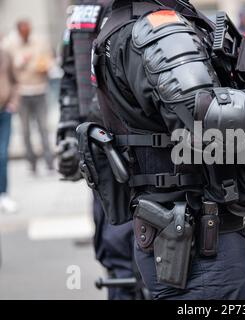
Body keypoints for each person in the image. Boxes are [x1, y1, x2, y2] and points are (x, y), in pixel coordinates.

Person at [89, 0, 245, 300]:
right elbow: (207, 115)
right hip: (198, 241)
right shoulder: (159, 27)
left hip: (180, 228)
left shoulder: (125, 22)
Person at [57, 0, 139, 300]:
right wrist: (67, 134)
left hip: (142, 140)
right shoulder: (82, 9)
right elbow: (69, 73)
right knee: (116, 246)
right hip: (101, 143)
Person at [7, 20, 54, 174]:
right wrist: (21, 62)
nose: (26, 33)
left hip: (40, 89)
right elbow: (9, 68)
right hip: (22, 92)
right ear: (19, 31)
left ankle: (49, 162)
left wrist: (42, 66)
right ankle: (32, 164)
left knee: (43, 128)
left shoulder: (40, 41)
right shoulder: (10, 44)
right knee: (25, 130)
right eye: (23, 31)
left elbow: (48, 60)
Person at [0, 38, 19, 214]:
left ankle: (3, 194)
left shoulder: (5, 56)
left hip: (4, 111)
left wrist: (13, 102)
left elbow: (14, 81)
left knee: (3, 155)